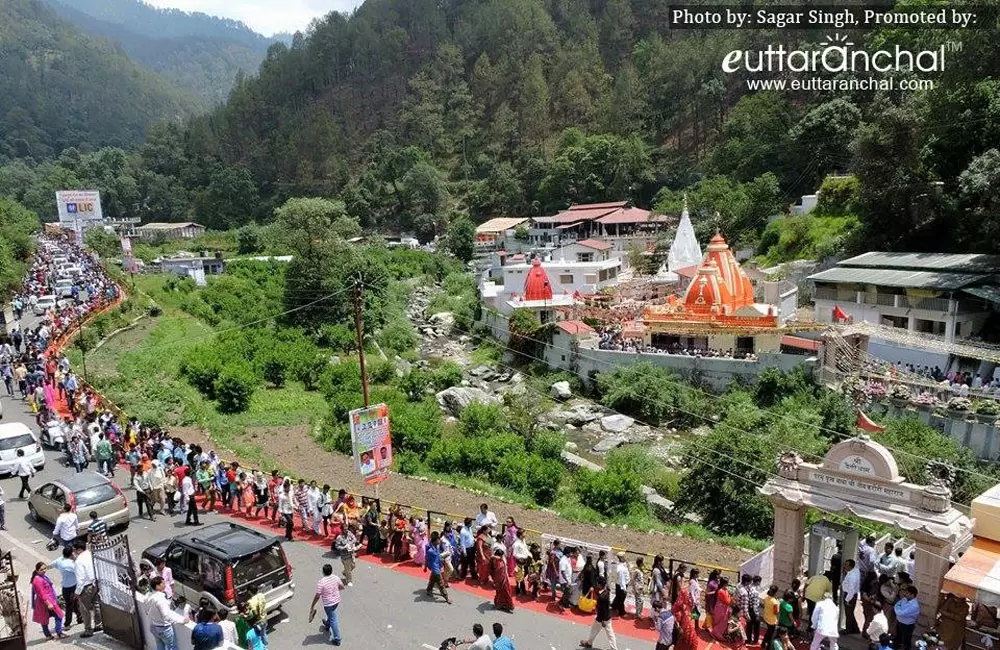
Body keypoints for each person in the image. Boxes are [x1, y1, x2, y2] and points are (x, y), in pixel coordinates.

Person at [148, 576, 187, 650]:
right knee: (172, 648)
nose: (165, 585)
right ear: (157, 586)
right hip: (164, 629)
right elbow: (167, 616)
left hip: (154, 626)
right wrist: (182, 620)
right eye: (163, 583)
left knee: (160, 647)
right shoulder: (160, 599)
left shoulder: (149, 596)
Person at [310, 564, 346, 646]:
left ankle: (337, 638)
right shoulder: (336, 577)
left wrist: (312, 606)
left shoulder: (321, 582)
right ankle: (327, 625)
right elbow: (342, 587)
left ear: (323, 572)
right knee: (332, 615)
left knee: (334, 619)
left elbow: (317, 596)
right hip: (336, 601)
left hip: (328, 604)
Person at [30, 562, 65, 639]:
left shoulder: (42, 577)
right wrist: (48, 603)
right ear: (37, 570)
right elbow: (42, 594)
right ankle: (57, 633)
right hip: (45, 603)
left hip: (49, 601)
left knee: (47, 618)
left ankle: (49, 635)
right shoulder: (38, 580)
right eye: (41, 569)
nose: (44, 571)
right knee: (58, 615)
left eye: (45, 568)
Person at [73, 541, 101, 637]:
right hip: (95, 583)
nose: (74, 552)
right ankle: (98, 624)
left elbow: (80, 579)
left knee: (85, 609)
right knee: (96, 604)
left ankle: (88, 630)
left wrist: (77, 593)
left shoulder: (79, 561)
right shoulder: (91, 554)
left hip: (86, 587)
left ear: (78, 550)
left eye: (74, 550)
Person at [581, 578, 618, 650]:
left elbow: (602, 610)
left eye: (598, 584)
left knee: (595, 630)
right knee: (610, 633)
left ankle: (589, 643)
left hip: (602, 618)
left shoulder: (601, 597)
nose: (597, 585)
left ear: (600, 585)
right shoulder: (606, 592)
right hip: (607, 616)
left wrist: (602, 621)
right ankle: (614, 648)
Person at [52, 546, 77, 629]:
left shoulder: (60, 560)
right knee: (70, 605)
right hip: (73, 587)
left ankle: (80, 618)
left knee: (73, 603)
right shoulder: (71, 564)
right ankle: (67, 624)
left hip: (65, 587)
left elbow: (51, 565)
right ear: (71, 554)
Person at [424, 531, 451, 604]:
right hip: (435, 568)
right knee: (441, 583)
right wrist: (425, 567)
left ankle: (429, 590)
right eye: (438, 539)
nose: (440, 541)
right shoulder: (430, 551)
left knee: (432, 580)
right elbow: (426, 559)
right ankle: (446, 597)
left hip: (437, 567)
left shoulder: (437, 547)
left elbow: (438, 556)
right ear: (435, 541)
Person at [894, 586, 920, 650]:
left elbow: (900, 613)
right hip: (899, 622)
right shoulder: (904, 599)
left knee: (906, 642)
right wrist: (898, 609)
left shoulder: (914, 606)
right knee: (898, 639)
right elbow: (896, 605)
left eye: (907, 593)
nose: (905, 594)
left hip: (907, 626)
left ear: (912, 595)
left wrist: (898, 609)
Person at [842, 559, 861, 635]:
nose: (844, 566)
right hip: (851, 595)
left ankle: (848, 629)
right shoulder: (854, 571)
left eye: (846, 565)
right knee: (850, 613)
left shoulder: (852, 576)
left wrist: (847, 599)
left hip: (850, 595)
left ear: (850, 566)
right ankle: (855, 629)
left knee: (848, 614)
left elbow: (851, 590)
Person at [492, 548, 514, 612]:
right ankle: (503, 605)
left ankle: (503, 605)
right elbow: (498, 572)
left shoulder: (498, 560)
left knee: (503, 593)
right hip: (501, 580)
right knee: (504, 593)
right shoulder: (498, 563)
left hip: (503, 579)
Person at [761, 585, 780, 650]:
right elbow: (776, 612)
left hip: (766, 618)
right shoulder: (775, 602)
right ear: (775, 592)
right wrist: (778, 603)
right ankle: (768, 647)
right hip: (772, 621)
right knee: (771, 635)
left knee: (768, 632)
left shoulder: (766, 598)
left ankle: (763, 644)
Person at [612, 552, 629, 618]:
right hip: (622, 585)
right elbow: (622, 580)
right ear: (621, 558)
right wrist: (624, 588)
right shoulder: (621, 568)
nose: (625, 557)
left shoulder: (621, 564)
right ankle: (622, 612)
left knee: (618, 596)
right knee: (621, 599)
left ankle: (614, 605)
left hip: (619, 584)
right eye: (624, 556)